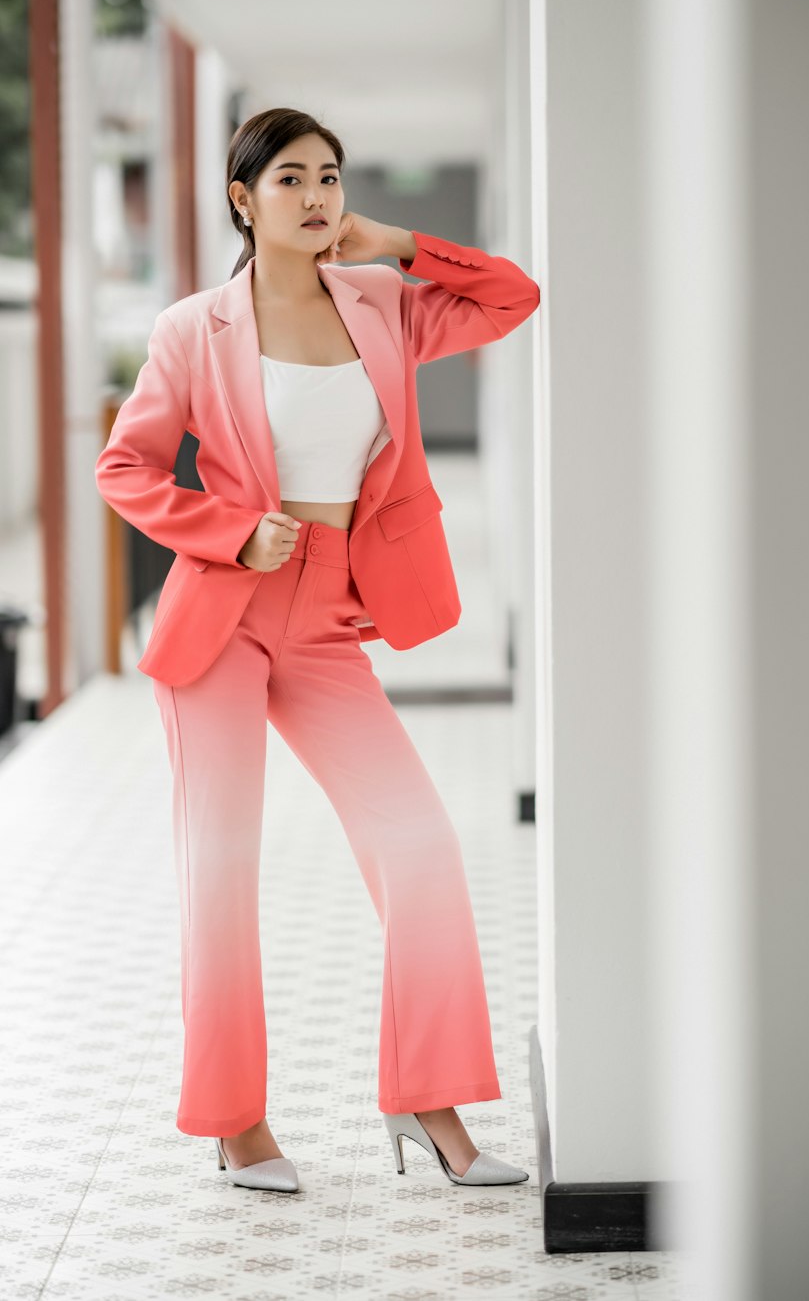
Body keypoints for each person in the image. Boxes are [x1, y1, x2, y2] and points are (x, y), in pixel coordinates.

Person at [94, 106, 540, 1194]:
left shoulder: (383, 306)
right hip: (222, 613)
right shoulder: (193, 329)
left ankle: (426, 1101)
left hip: (330, 616)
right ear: (242, 200)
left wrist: (396, 242)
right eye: (289, 178)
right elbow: (127, 467)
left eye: (329, 177)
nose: (315, 196)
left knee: (422, 847)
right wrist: (231, 527)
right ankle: (238, 1124)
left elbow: (509, 297)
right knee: (223, 872)